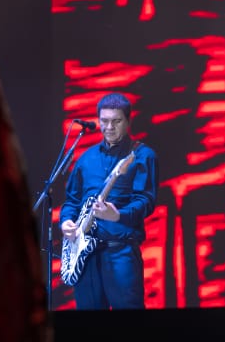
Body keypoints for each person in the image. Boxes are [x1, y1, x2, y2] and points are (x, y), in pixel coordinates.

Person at [59, 93, 157, 310]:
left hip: (120, 253)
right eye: (104, 121)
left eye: (116, 121)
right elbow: (72, 201)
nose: (109, 127)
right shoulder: (86, 158)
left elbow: (146, 200)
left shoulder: (142, 155)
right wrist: (66, 221)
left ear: (128, 121)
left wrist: (118, 215)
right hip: (85, 257)